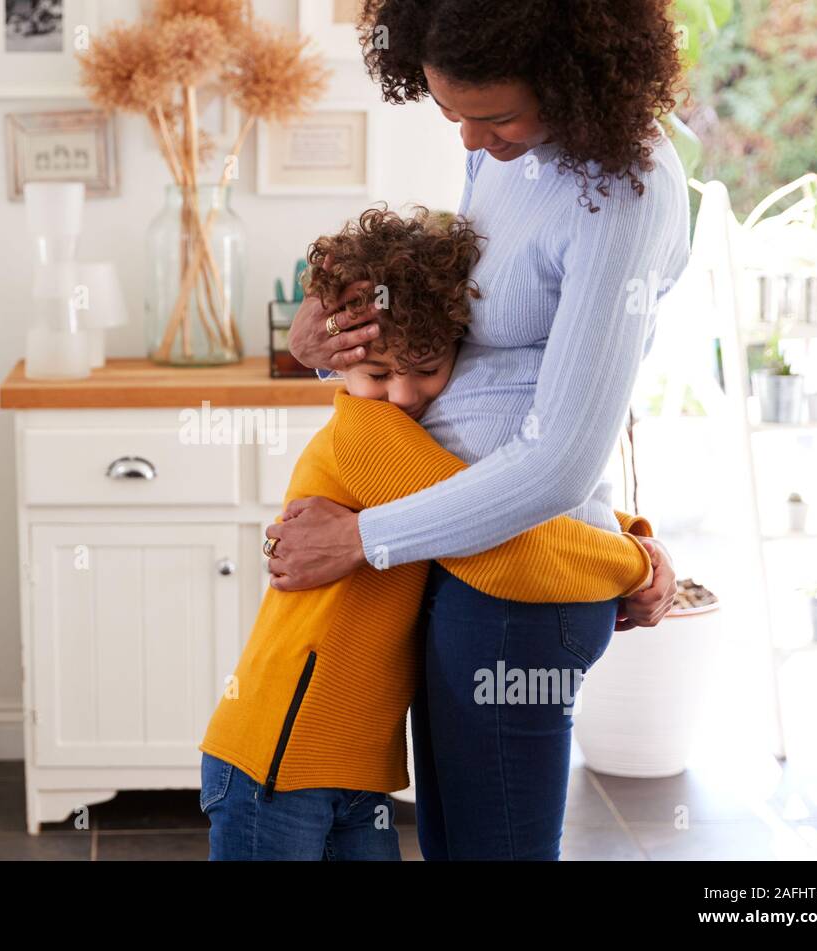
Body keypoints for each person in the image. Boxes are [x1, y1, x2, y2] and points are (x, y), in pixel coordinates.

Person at [271, 0, 690, 859]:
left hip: (517, 586)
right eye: (448, 111)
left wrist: (362, 538)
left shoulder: (627, 189)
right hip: (452, 549)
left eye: (493, 116)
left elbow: (559, 461)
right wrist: (320, 345)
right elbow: (453, 336)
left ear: (574, 75)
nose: (468, 141)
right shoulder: (503, 158)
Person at [200, 207, 656, 861]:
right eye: (380, 374)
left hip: (355, 773)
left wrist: (626, 530)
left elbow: (508, 502)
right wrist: (636, 561)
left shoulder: (417, 430)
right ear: (341, 361)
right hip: (279, 763)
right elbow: (505, 547)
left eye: (426, 367)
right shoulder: (370, 436)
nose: (406, 393)